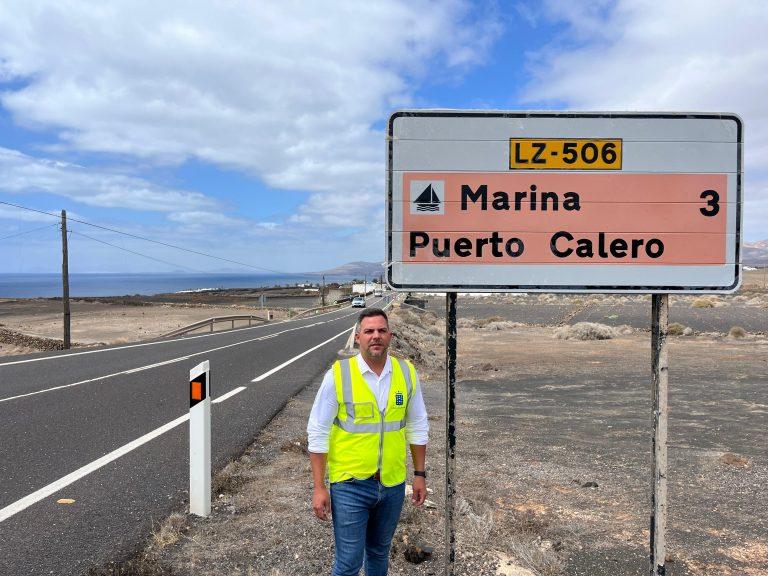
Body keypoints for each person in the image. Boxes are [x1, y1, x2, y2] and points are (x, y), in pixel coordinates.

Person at [307, 307, 429, 576]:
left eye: (382, 330)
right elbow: (317, 432)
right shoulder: (339, 375)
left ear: (390, 336)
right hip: (350, 485)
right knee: (348, 563)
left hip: (392, 484)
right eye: (369, 331)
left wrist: (420, 475)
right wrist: (319, 487)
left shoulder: (406, 372)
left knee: (379, 553)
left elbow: (418, 425)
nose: (376, 336)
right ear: (358, 337)